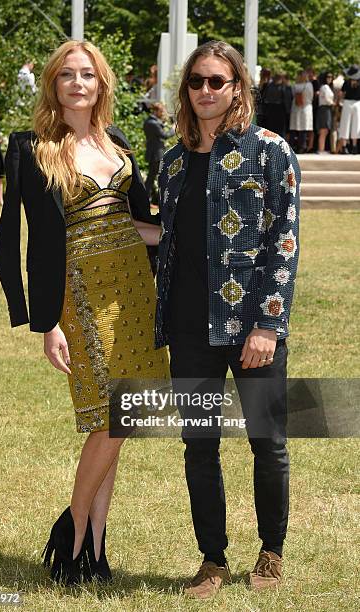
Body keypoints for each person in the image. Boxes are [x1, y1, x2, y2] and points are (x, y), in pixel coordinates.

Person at [0, 40, 169, 586]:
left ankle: (95, 547)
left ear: (101, 84)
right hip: (82, 292)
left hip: (136, 290)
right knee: (110, 419)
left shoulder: (117, 142)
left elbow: (139, 220)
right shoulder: (33, 147)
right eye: (67, 74)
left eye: (86, 74)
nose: (77, 82)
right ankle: (70, 538)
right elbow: (15, 242)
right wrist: (44, 322)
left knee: (124, 420)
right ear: (53, 84)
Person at [155, 40, 300, 599]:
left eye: (218, 81)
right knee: (200, 445)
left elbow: (283, 244)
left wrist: (268, 325)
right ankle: (212, 561)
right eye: (196, 82)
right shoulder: (171, 161)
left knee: (268, 440)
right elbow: (167, 238)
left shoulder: (270, 152)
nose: (206, 91)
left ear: (238, 86)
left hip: (250, 327)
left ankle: (271, 552)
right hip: (189, 329)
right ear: (186, 90)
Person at [143, 102, 175, 202]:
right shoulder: (152, 123)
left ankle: (147, 199)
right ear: (155, 111)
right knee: (159, 177)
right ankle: (154, 199)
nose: (162, 113)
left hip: (155, 154)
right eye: (161, 111)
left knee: (152, 178)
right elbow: (164, 135)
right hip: (156, 154)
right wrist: (173, 129)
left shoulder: (151, 121)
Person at [336, 65, 360, 154]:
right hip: (357, 103)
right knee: (356, 125)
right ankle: (354, 147)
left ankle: (345, 147)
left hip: (348, 103)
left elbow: (341, 94)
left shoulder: (346, 82)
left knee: (345, 125)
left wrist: (338, 101)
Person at [289, 70, 314, 153]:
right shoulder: (309, 85)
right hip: (306, 107)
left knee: (294, 128)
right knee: (304, 128)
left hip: (296, 107)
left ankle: (292, 146)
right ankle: (302, 146)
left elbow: (292, 95)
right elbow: (311, 96)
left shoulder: (295, 85)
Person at [262, 73, 289, 138]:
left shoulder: (269, 86)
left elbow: (264, 98)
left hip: (270, 110)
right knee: (280, 131)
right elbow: (286, 100)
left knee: (270, 130)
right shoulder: (283, 87)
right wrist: (288, 111)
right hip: (280, 111)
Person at [316, 72, 335, 154]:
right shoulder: (325, 87)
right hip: (325, 109)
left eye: (331, 77)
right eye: (328, 77)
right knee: (323, 130)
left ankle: (321, 149)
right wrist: (334, 103)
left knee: (325, 130)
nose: (330, 78)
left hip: (326, 109)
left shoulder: (326, 87)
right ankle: (321, 149)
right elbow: (327, 99)